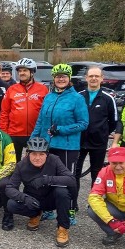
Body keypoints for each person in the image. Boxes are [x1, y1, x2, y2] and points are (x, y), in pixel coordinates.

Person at [31, 63, 88, 224]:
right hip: (47, 145)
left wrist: (61, 129)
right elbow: (41, 121)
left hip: (67, 146)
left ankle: (69, 210)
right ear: (54, 79)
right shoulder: (49, 96)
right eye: (58, 76)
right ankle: (49, 208)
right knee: (46, 177)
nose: (60, 79)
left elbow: (83, 123)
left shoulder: (77, 98)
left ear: (69, 79)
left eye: (64, 76)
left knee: (66, 179)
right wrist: (33, 140)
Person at [4, 137, 76, 247]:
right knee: (11, 204)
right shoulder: (21, 165)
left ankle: (63, 228)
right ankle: (35, 215)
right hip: (33, 200)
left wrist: (46, 179)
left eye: (41, 154)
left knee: (62, 192)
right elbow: (10, 188)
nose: (37, 158)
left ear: (47, 154)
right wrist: (24, 198)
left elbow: (71, 180)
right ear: (28, 154)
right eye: (34, 154)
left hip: (51, 199)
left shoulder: (54, 160)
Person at [75, 66, 117, 188]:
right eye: (91, 76)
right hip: (79, 141)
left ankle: (93, 204)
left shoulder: (108, 98)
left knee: (97, 173)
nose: (94, 78)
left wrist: (102, 132)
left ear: (102, 78)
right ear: (86, 78)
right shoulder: (78, 96)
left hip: (98, 142)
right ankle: (73, 204)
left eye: (97, 76)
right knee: (74, 173)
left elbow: (114, 120)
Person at [0, 58, 49, 162]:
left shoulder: (43, 89)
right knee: (12, 163)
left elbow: (46, 113)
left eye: (25, 70)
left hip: (35, 133)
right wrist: (4, 133)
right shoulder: (11, 89)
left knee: (33, 163)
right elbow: (4, 113)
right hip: (14, 134)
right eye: (20, 71)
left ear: (32, 72)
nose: (22, 73)